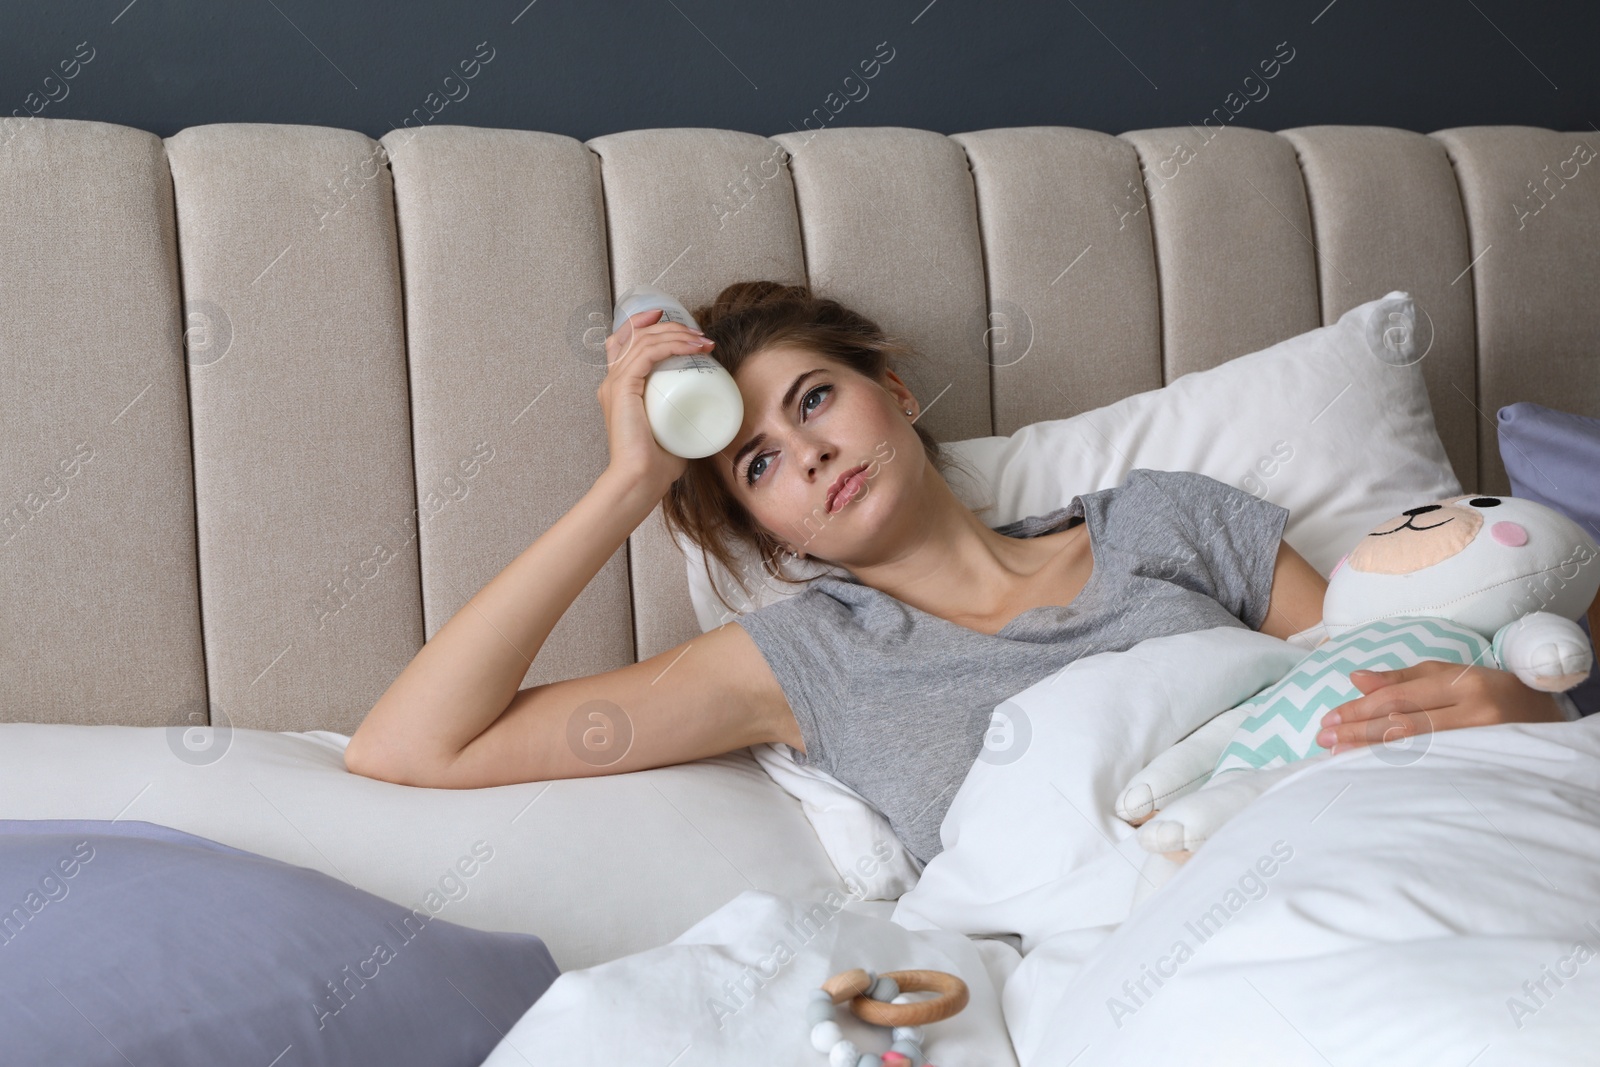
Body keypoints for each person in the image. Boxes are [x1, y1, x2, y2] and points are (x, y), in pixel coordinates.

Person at [343, 281, 1568, 866]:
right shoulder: (803, 659)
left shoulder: (1164, 520)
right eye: (759, 459)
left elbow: (1363, 681)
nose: (810, 449)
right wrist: (627, 486)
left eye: (815, 397)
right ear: (773, 536)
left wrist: (1521, 709)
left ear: (896, 393)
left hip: (1372, 841)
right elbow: (410, 747)